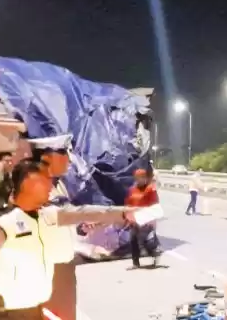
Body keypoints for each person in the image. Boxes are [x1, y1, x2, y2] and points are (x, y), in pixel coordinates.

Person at [28, 134, 138, 320]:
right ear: (47, 158)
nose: (69, 159)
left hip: (61, 268)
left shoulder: (57, 184)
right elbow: (58, 216)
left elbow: (66, 218)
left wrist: (82, 227)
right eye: (63, 153)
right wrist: (118, 214)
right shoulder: (37, 186)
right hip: (46, 269)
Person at [125, 168, 161, 268]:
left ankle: (154, 254)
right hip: (134, 219)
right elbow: (128, 203)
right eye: (137, 178)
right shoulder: (132, 190)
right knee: (133, 240)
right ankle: (135, 263)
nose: (139, 180)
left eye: (141, 177)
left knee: (145, 241)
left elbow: (154, 204)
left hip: (146, 220)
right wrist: (128, 216)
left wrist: (150, 219)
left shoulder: (150, 189)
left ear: (145, 178)